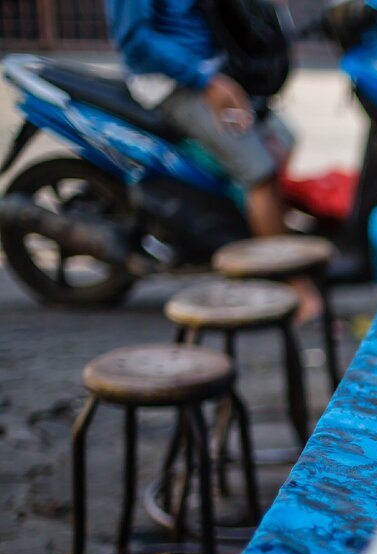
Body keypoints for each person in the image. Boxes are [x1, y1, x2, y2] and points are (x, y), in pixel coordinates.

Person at [106, 0, 323, 322]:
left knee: (284, 141)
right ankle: (292, 284)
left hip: (212, 70)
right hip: (175, 82)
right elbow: (135, 42)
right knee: (259, 173)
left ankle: (258, 237)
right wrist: (205, 82)